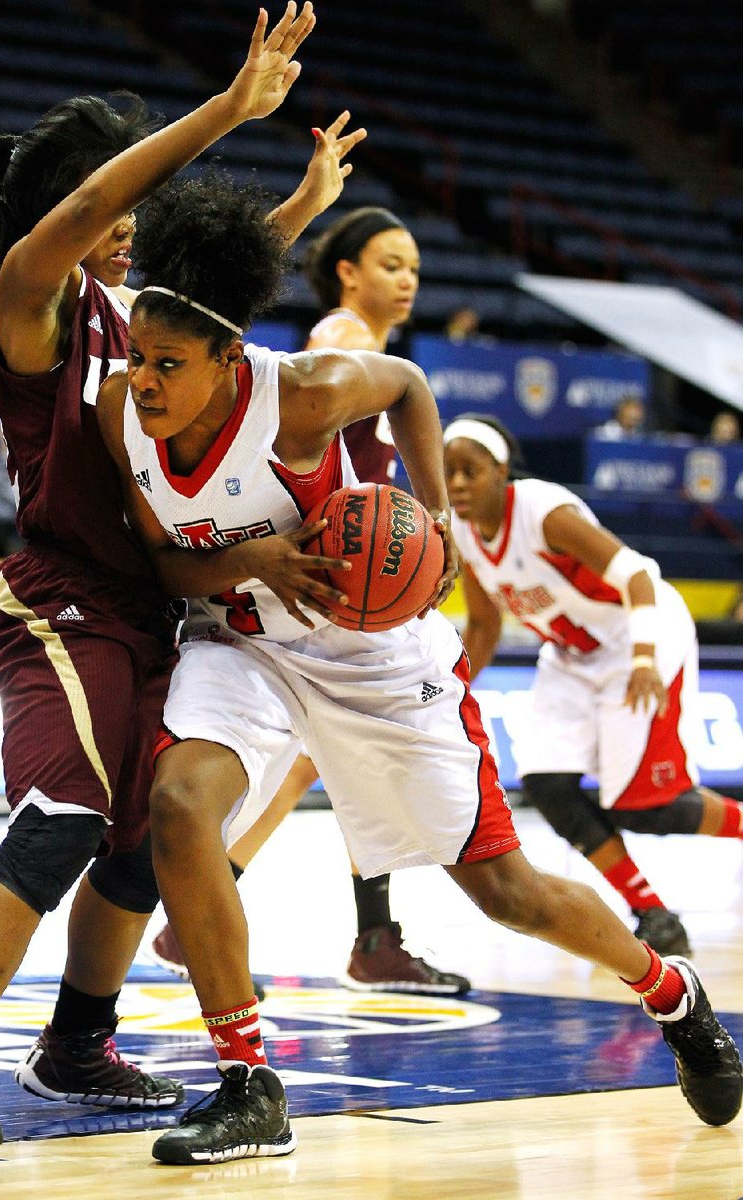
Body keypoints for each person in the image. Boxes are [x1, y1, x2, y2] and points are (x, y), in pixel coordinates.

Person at [97, 173, 742, 1167]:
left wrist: (434, 517)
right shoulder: (120, 410)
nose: (141, 379)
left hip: (370, 654)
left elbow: (406, 388)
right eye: (137, 355)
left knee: (505, 894)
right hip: (241, 640)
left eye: (166, 364)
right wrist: (256, 560)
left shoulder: (300, 395)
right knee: (181, 804)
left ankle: (670, 991)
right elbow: (162, 561)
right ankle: (246, 1084)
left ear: (230, 359)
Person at [0, 2, 320, 1154]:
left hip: (156, 603)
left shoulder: (132, 314)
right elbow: (93, 208)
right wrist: (224, 109)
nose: (129, 217)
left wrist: (299, 207)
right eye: (110, 194)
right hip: (60, 599)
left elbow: (214, 300)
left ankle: (76, 1045)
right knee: (59, 819)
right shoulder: (31, 294)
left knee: (144, 837)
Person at [151, 205, 469, 996]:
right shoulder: (342, 341)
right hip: (307, 584)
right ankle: (340, 932)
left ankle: (353, 933)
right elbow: (296, 405)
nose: (407, 281)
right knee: (339, 766)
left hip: (340, 589)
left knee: (317, 769)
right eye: (391, 264)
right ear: (348, 273)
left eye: (416, 269)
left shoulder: (368, 346)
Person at [444, 413, 743, 956]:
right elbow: (485, 626)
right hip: (572, 654)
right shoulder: (461, 528)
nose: (459, 483)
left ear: (501, 470)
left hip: (638, 637)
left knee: (651, 809)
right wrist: (448, 692)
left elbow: (636, 574)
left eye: (471, 470)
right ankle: (653, 913)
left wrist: (648, 658)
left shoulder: (541, 509)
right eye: (449, 473)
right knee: (548, 785)